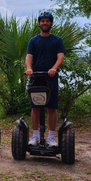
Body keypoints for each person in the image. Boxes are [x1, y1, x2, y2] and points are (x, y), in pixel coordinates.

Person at [25, 11, 65, 147]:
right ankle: (35, 135)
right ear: (39, 23)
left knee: (52, 108)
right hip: (36, 78)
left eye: (47, 21)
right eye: (42, 21)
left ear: (51, 23)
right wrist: (29, 69)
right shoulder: (34, 40)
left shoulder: (57, 40)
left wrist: (54, 68)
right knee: (35, 107)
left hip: (51, 78)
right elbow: (29, 56)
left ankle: (51, 137)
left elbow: (60, 56)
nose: (45, 23)